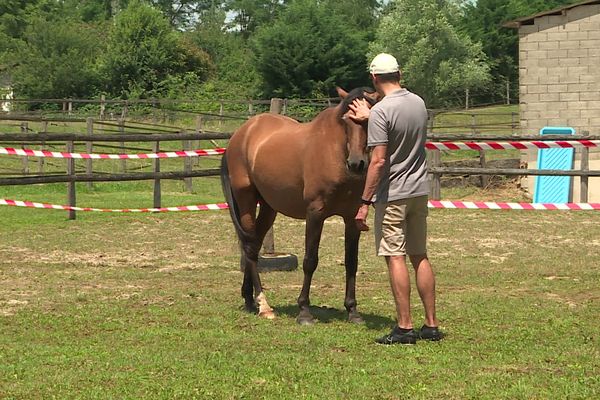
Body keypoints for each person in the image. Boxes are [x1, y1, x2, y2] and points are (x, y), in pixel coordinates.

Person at [349, 53, 442, 345]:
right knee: (420, 255)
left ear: (374, 78)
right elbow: (401, 125)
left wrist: (364, 203)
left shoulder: (381, 111)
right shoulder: (418, 103)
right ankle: (431, 324)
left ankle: (404, 327)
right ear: (400, 74)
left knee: (395, 255)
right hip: (419, 190)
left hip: (394, 194)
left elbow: (377, 162)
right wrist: (373, 115)